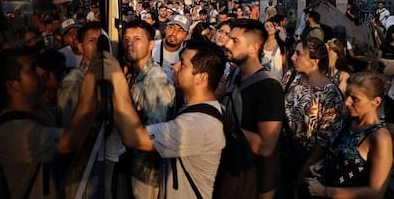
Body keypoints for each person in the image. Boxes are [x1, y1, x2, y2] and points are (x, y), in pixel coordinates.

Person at [96, 40, 226, 198]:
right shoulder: (201, 110)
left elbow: (132, 138)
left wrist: (117, 80)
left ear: (201, 77)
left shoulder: (197, 125)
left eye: (182, 64)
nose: (174, 66)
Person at [0, 48, 98, 199]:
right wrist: (90, 82)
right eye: (32, 70)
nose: (41, 74)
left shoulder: (40, 111)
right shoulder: (12, 132)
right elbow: (70, 142)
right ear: (12, 85)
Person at [304, 72, 392, 198]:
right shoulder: (348, 122)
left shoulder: (380, 138)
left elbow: (376, 191)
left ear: (376, 101)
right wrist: (321, 164)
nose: (347, 103)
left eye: (355, 99)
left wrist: (325, 191)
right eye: (347, 96)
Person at [224, 19, 284, 199]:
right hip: (232, 174)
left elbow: (266, 147)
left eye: (234, 41)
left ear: (254, 48)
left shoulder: (269, 87)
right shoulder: (235, 74)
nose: (227, 44)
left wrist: (225, 122)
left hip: (257, 182)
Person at [280, 37, 344, 197]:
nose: (293, 57)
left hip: (306, 158)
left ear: (313, 61)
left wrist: (305, 170)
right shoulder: (291, 77)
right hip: (281, 151)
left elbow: (325, 139)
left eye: (298, 54)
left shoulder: (329, 93)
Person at [121, 19, 176, 198]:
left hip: (147, 175)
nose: (130, 43)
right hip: (133, 165)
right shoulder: (132, 75)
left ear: (151, 44)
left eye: (137, 38)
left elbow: (154, 139)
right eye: (126, 39)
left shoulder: (155, 80)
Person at [57, 21, 101, 127]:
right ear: (81, 47)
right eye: (91, 40)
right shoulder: (72, 82)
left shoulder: (109, 75)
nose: (97, 44)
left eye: (101, 40)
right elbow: (71, 128)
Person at [152, 14, 189, 84]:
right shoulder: (152, 48)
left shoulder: (188, 55)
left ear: (186, 36)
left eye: (180, 30)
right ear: (165, 29)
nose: (174, 33)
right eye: (171, 27)